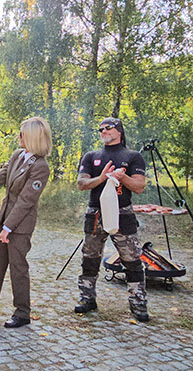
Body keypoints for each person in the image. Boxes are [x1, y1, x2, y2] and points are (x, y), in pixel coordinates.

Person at [0, 117, 52, 328]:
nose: (19, 137)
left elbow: (26, 201)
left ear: (32, 137)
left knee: (18, 268)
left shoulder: (41, 166)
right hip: (5, 217)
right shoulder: (18, 156)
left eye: (22, 134)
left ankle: (22, 313)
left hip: (20, 225)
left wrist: (9, 227)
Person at [75, 117, 149, 322]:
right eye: (100, 129)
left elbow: (139, 186)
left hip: (122, 213)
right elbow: (81, 183)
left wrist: (121, 177)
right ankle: (87, 298)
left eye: (108, 128)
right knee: (89, 259)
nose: (103, 131)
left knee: (132, 261)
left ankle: (138, 303)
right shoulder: (91, 156)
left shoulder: (133, 156)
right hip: (95, 213)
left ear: (119, 131)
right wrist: (101, 178)